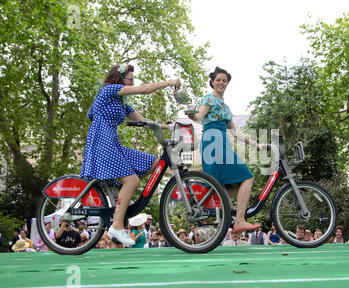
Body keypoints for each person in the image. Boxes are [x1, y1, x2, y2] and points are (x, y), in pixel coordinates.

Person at [80, 63, 181, 246]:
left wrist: (169, 127)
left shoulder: (121, 102)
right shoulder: (110, 90)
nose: (133, 82)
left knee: (154, 164)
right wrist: (170, 82)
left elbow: (144, 121)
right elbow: (143, 90)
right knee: (133, 181)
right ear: (120, 78)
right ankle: (117, 226)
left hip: (113, 143)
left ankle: (122, 193)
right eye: (130, 78)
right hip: (102, 143)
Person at [186, 66, 264, 234]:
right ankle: (240, 220)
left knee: (234, 187)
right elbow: (199, 117)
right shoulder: (209, 99)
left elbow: (235, 131)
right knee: (247, 178)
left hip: (223, 143)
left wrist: (256, 145)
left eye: (224, 80)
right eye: (218, 80)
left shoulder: (226, 107)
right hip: (213, 142)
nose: (221, 82)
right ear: (212, 82)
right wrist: (191, 114)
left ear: (227, 83)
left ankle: (207, 206)